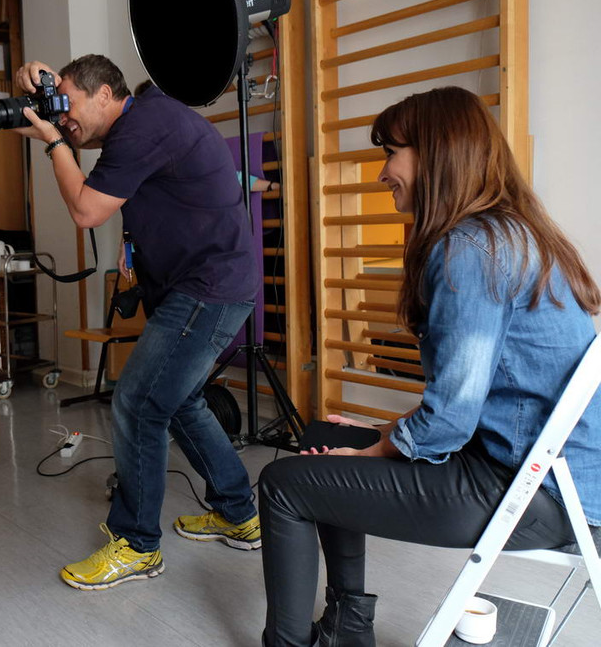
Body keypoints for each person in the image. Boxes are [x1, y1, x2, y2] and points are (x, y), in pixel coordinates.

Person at [257, 85, 601, 647]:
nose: (382, 173)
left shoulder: (471, 249)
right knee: (324, 439)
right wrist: (383, 437)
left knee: (282, 485)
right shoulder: (509, 232)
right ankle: (347, 630)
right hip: (543, 472)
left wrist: (378, 448)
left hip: (537, 492)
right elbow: (470, 402)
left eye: (391, 153)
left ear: (436, 154)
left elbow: (449, 420)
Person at [14, 54, 262, 590]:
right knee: (181, 402)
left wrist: (54, 142)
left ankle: (137, 545)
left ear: (105, 94)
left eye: (70, 103)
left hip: (206, 288)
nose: (65, 117)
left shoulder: (145, 125)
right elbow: (79, 143)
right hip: (208, 285)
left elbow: (86, 210)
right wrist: (40, 100)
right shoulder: (143, 123)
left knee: (137, 402)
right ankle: (239, 515)